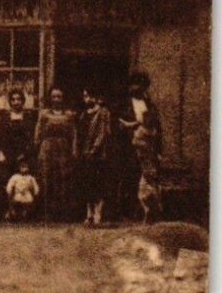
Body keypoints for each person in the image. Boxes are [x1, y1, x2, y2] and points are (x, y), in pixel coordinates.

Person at [118, 71, 163, 221]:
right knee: (129, 177)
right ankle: (127, 212)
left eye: (140, 85)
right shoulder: (124, 104)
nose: (136, 88)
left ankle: (144, 212)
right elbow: (119, 125)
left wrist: (158, 150)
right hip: (129, 147)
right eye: (134, 84)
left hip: (147, 148)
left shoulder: (150, 105)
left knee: (145, 179)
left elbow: (157, 128)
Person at [33, 87, 77, 222]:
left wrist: (74, 150)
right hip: (47, 147)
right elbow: (38, 131)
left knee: (63, 178)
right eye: (54, 97)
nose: (56, 99)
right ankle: (47, 213)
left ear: (63, 98)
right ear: (50, 98)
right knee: (47, 178)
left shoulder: (69, 115)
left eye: (59, 97)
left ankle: (62, 214)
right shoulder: (44, 114)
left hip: (63, 148)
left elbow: (74, 134)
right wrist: (37, 147)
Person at [78, 89, 115, 225]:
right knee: (88, 183)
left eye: (88, 96)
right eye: (84, 96)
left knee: (98, 183)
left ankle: (98, 213)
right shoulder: (84, 114)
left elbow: (102, 133)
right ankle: (89, 213)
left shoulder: (103, 113)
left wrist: (94, 148)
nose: (86, 99)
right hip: (85, 152)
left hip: (98, 154)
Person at [0, 87, 37, 192]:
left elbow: (32, 138)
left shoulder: (28, 118)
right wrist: (1, 154)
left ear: (23, 101)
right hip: (7, 156)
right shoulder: (5, 118)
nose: (16, 102)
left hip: (23, 156)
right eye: (13, 100)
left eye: (18, 99)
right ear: (10, 102)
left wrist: (25, 154)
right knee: (6, 183)